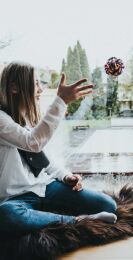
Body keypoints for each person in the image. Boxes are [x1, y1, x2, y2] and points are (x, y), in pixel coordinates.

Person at [0, 62, 117, 236]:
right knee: (8, 215)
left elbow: (44, 158)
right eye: (36, 83)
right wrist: (61, 101)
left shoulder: (26, 117)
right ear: (15, 88)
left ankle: (46, 216)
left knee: (108, 205)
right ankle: (78, 221)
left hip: (45, 188)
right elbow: (32, 142)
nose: (40, 89)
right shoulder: (2, 120)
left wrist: (65, 176)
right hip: (15, 198)